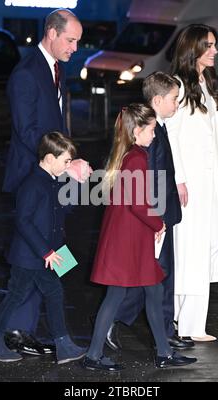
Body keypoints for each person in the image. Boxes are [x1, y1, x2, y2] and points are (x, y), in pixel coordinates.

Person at [82, 104, 197, 371]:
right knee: (118, 296)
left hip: (130, 237)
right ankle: (94, 355)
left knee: (151, 291)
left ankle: (162, 352)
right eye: (151, 130)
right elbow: (138, 203)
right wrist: (158, 223)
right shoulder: (136, 158)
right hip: (129, 240)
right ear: (137, 131)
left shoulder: (129, 154)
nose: (154, 135)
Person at [2, 8, 88, 355]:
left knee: (49, 248)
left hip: (49, 175)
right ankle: (14, 331)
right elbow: (28, 132)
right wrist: (64, 163)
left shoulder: (56, 68)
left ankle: (23, 327)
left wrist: (65, 164)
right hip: (32, 177)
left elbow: (52, 124)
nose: (74, 48)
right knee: (33, 253)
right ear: (51, 33)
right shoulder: (26, 73)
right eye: (70, 40)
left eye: (78, 42)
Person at [103, 72, 194, 351]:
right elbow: (149, 178)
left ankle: (164, 329)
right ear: (157, 100)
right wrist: (154, 220)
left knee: (161, 273)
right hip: (155, 215)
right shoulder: (150, 133)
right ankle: (114, 321)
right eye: (173, 99)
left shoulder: (159, 127)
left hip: (159, 213)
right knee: (154, 274)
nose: (177, 104)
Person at [0, 132, 87, 363]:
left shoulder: (48, 180)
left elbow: (54, 217)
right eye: (65, 161)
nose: (68, 166)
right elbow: (23, 221)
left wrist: (54, 250)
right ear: (50, 158)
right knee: (17, 296)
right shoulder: (33, 183)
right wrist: (47, 252)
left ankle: (63, 345)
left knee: (48, 294)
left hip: (43, 255)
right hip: (31, 256)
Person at [166, 24, 218, 341]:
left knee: (202, 245)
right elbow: (171, 137)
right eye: (208, 45)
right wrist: (179, 179)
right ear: (193, 48)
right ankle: (187, 324)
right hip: (190, 183)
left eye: (215, 45)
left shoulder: (206, 83)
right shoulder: (177, 86)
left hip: (210, 181)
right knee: (190, 248)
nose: (215, 51)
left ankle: (187, 321)